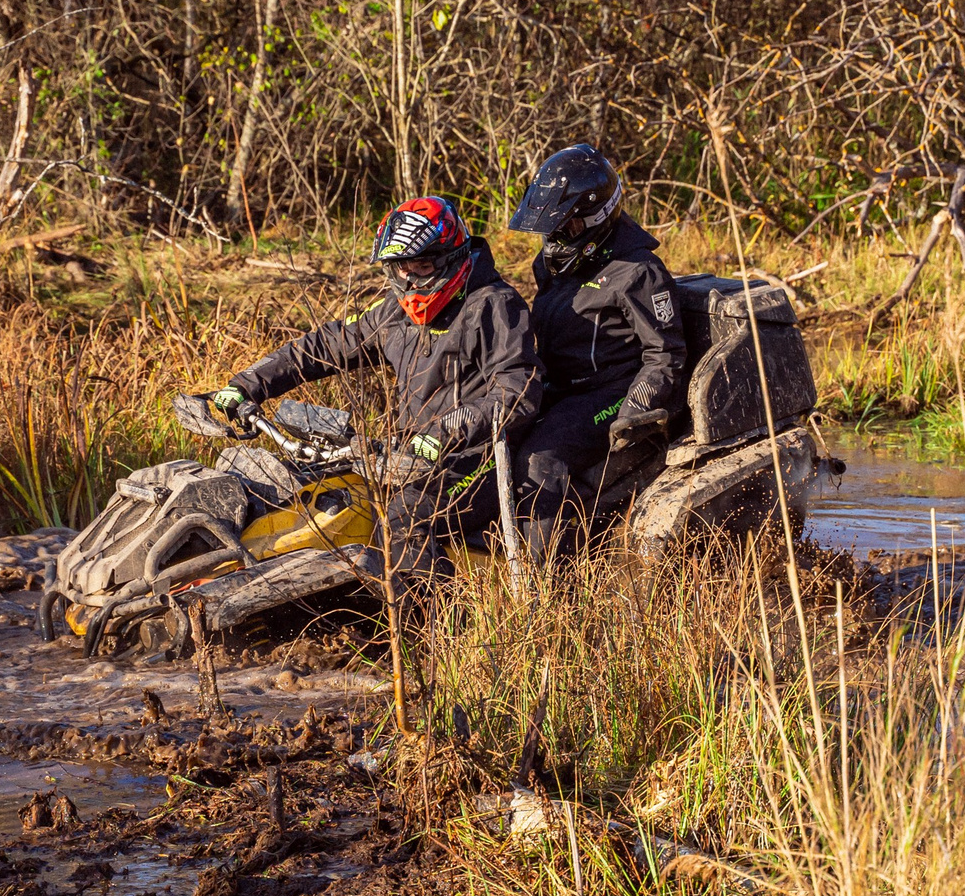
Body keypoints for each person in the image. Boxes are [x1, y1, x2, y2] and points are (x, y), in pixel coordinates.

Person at [211, 194, 540, 579]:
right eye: (401, 268)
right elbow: (327, 345)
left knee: (402, 520)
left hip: (477, 456)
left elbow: (519, 389)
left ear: (452, 258)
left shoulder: (494, 304)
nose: (410, 279)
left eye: (422, 266)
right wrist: (248, 384)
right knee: (311, 490)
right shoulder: (395, 311)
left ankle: (424, 616)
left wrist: (447, 430)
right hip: (407, 454)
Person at [507, 144, 684, 560]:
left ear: (595, 219)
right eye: (551, 229)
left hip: (611, 391)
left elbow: (665, 355)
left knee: (540, 459)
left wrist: (635, 409)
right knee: (496, 437)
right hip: (558, 385)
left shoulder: (638, 271)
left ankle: (542, 579)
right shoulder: (551, 264)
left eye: (565, 227)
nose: (555, 238)